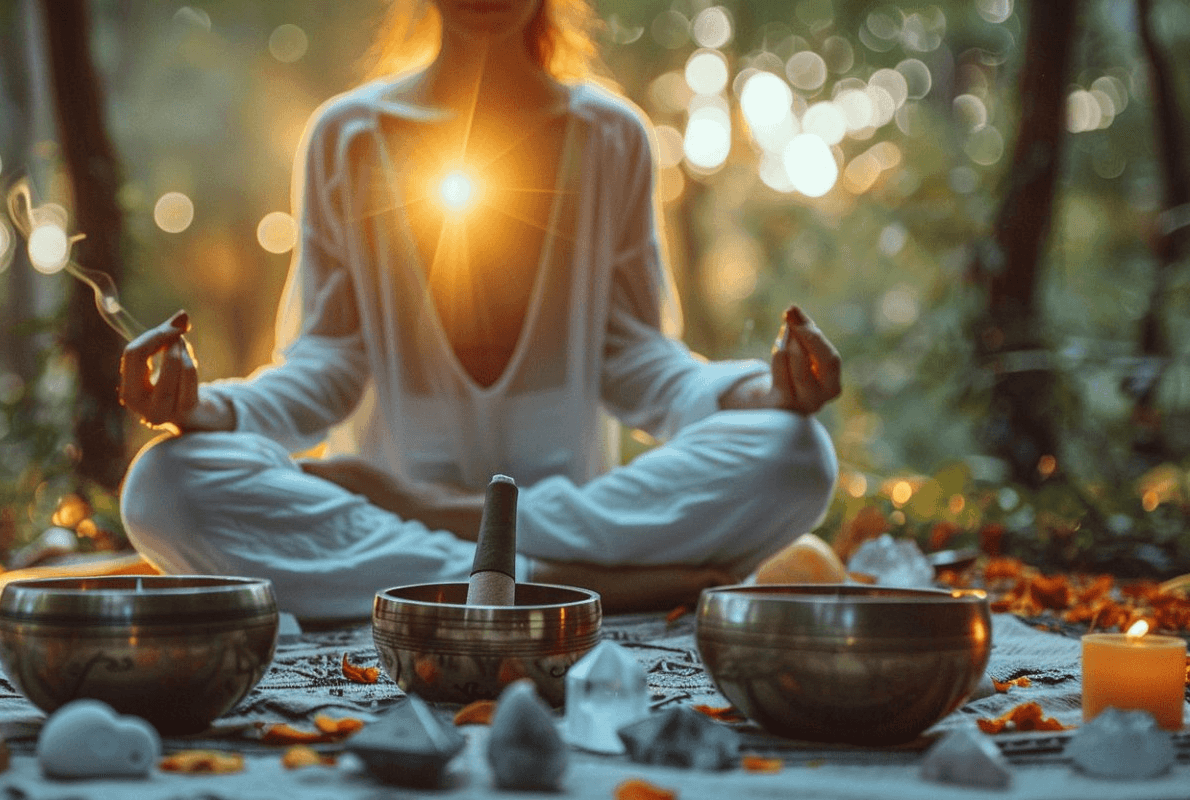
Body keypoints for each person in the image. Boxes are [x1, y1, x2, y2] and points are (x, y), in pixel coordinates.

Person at [117, 0, 842, 621]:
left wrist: (763, 392)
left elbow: (635, 358)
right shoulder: (346, 136)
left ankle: (455, 546)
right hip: (466, 535)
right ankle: (565, 585)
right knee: (163, 485)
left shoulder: (610, 137)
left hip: (434, 516)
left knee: (798, 455)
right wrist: (205, 411)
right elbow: (326, 362)